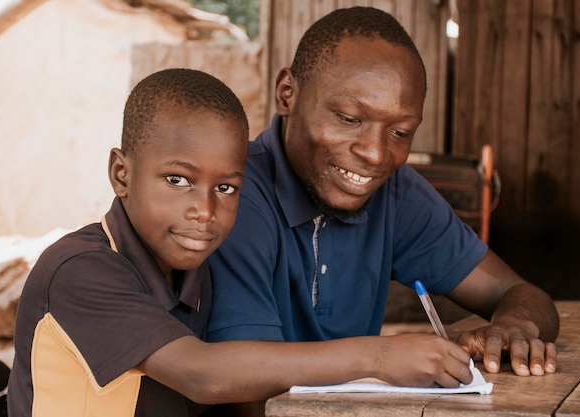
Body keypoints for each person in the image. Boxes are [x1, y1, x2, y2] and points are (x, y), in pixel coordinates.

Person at [7, 68, 474, 417]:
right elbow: (203, 374)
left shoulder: (197, 279)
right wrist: (381, 355)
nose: (204, 210)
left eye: (226, 188)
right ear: (121, 174)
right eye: (177, 179)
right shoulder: (80, 270)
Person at [206, 6, 560, 415]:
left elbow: (519, 293)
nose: (374, 154)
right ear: (288, 93)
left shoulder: (394, 193)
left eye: (400, 132)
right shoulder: (234, 195)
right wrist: (381, 356)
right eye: (348, 118)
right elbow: (244, 392)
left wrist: (515, 328)